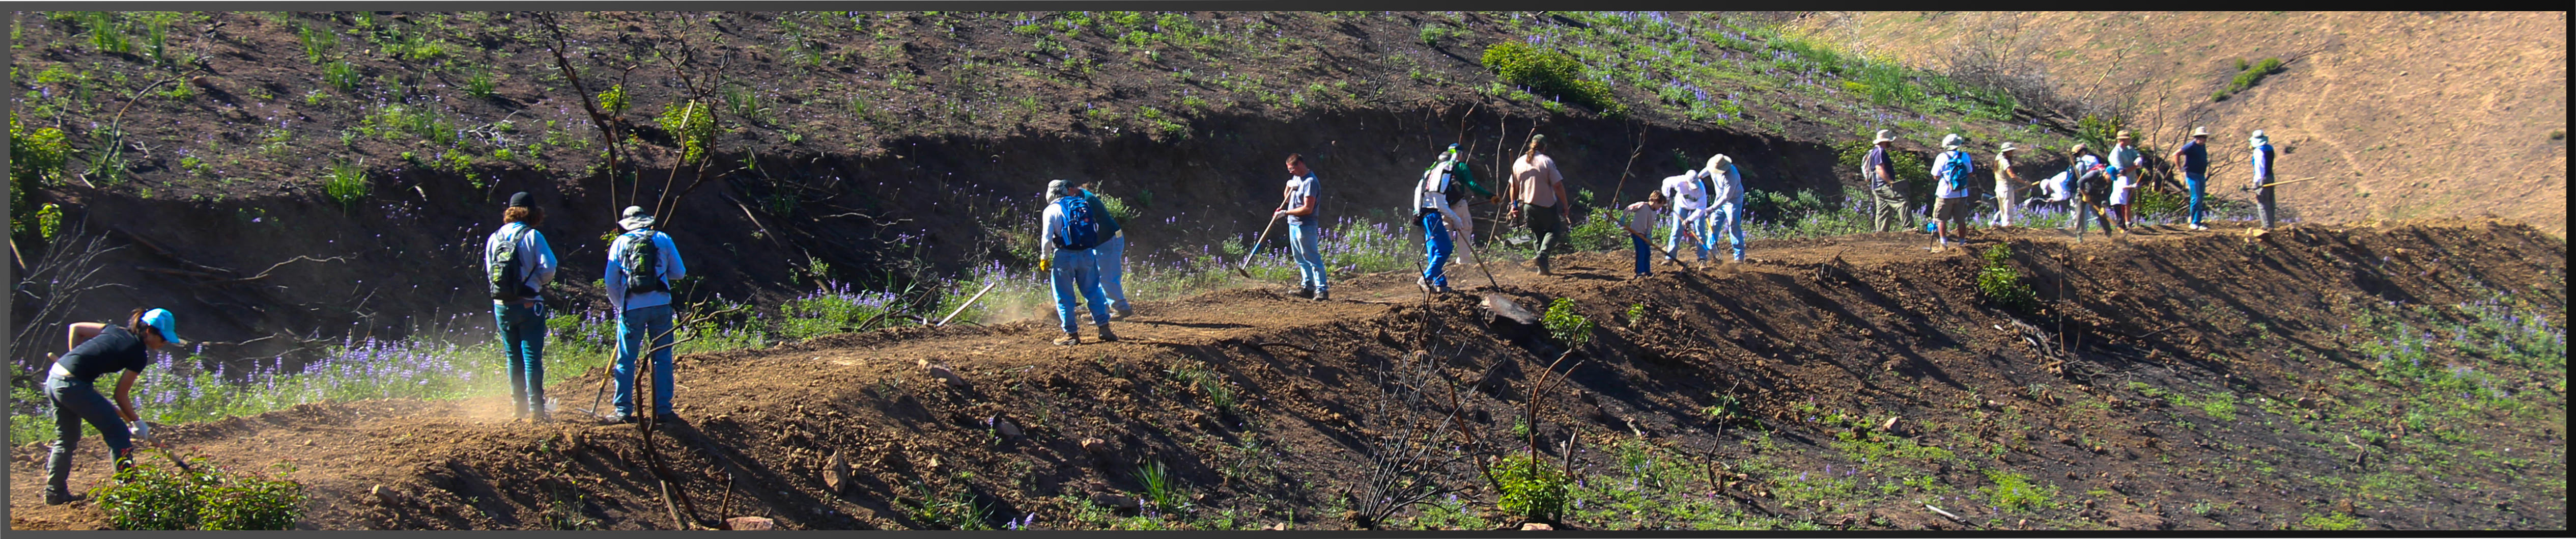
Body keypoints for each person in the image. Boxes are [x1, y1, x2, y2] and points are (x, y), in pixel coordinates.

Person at [42, 308, 186, 505]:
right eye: (163, 338)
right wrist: (137, 422)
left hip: (56, 378)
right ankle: (130, 494)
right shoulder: (138, 354)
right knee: (118, 433)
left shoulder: (114, 330)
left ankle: (55, 493)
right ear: (149, 331)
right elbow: (120, 395)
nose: (165, 343)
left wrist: (74, 358)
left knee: (66, 439)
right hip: (72, 386)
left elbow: (76, 328)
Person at [606, 206, 687, 424]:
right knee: (662, 358)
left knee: (626, 360)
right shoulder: (662, 238)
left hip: (632, 307)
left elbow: (611, 281)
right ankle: (663, 409)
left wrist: (621, 305)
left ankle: (623, 410)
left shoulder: (620, 243)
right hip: (661, 305)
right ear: (646, 221)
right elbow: (679, 273)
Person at [485, 191, 557, 422]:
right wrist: (534, 283)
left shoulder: (494, 237)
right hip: (529, 304)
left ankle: (518, 407)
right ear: (534, 214)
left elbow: (490, 272)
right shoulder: (533, 236)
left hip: (502, 305)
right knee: (531, 357)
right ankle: (537, 410)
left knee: (512, 357)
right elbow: (549, 268)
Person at [1042, 180, 1118, 344]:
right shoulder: (1083, 204)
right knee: (1093, 291)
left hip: (1064, 255)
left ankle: (1071, 335)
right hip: (1087, 254)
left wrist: (1044, 258)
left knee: (1064, 295)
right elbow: (1095, 228)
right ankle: (1104, 328)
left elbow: (1047, 238)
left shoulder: (1051, 210)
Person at [1505, 134, 1570, 275]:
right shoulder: (1546, 161)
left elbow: (1513, 187)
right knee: (1554, 230)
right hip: (1546, 205)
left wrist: (1513, 205)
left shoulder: (1519, 162)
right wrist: (1565, 205)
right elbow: (1558, 185)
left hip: (1528, 205)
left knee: (1538, 235)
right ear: (1544, 147)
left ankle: (1542, 268)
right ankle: (1543, 256)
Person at [1426, 144, 1493, 269]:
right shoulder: (1461, 166)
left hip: (1442, 205)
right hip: (1459, 204)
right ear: (1460, 154)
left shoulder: (1436, 168)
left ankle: (1440, 262)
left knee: (1445, 232)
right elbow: (1472, 185)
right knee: (1465, 229)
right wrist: (1489, 196)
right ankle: (1464, 262)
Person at [1414, 146, 1467, 293]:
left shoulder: (1427, 177)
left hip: (1425, 215)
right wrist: (1455, 218)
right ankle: (1426, 278)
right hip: (1432, 216)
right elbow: (1440, 204)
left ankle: (1441, 284)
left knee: (1434, 250)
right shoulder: (1440, 178)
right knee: (1445, 249)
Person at [1277, 154, 1328, 301]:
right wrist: (1288, 186)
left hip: (1306, 225)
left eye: (1292, 169)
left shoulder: (1310, 182)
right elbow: (1287, 199)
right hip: (1293, 224)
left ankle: (1322, 290)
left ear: (1300, 164)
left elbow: (1308, 209)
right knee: (1300, 258)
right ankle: (1308, 287)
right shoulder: (1296, 178)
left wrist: (1285, 213)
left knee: (1312, 257)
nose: (1291, 172)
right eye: (1289, 170)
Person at [1077, 182, 1131, 318]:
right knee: (1096, 275)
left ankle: (1121, 308)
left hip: (1109, 240)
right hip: (1103, 240)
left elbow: (1086, 226)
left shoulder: (1086, 202)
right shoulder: (1081, 196)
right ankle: (1101, 309)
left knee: (1107, 276)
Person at [1656, 161, 1711, 263]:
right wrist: (1667, 197)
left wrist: (1689, 220)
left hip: (1697, 209)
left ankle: (1702, 258)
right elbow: (1666, 183)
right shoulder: (1679, 182)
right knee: (1676, 230)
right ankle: (1670, 258)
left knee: (1700, 232)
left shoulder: (1701, 189)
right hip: (1681, 205)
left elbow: (1701, 209)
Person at [1928, 134, 1975, 251]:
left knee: (1941, 219)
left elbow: (1936, 175)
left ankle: (1944, 243)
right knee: (1961, 219)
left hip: (1945, 193)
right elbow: (1970, 173)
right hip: (1962, 193)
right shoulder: (1965, 156)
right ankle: (1962, 242)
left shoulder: (1942, 157)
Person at [1863, 130, 1913, 233]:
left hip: (1876, 186)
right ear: (1886, 141)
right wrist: (1890, 182)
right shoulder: (1880, 152)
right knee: (1903, 202)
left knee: (1883, 211)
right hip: (1883, 185)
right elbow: (1879, 168)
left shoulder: (1874, 151)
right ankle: (1908, 229)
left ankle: (1881, 233)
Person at [2067, 146, 2119, 241]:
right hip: (2083, 193)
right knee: (2080, 213)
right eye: (2110, 178)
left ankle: (2109, 234)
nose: (2110, 181)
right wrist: (2085, 194)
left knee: (2102, 214)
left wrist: (2103, 207)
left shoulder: (2109, 183)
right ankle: (2079, 235)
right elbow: (2080, 182)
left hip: (2096, 195)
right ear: (2106, 174)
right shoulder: (2095, 174)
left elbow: (2105, 196)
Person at [1703, 154, 1748, 262]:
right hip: (1719, 199)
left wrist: (1711, 209)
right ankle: (1712, 250)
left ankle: (1739, 255)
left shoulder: (1732, 175)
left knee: (1734, 224)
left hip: (1733, 201)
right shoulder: (1713, 167)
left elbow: (1726, 197)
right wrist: (1698, 179)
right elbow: (1706, 172)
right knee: (1713, 224)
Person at [2173, 126, 2214, 229]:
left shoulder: (2202, 146)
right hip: (2192, 174)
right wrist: (2179, 167)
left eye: (2204, 137)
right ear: (2196, 137)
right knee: (2195, 198)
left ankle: (2198, 222)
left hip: (2201, 175)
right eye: (2201, 137)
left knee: (2200, 199)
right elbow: (2176, 154)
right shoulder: (2191, 146)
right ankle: (2193, 222)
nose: (2203, 139)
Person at [1622, 192, 1667, 278]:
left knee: (1648, 253)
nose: (1660, 207)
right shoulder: (1642, 205)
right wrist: (1624, 217)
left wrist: (1649, 235)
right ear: (1655, 201)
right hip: (1637, 233)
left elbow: (1650, 225)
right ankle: (1639, 272)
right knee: (1641, 252)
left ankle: (1647, 271)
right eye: (1660, 205)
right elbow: (1630, 208)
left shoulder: (1654, 212)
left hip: (1645, 235)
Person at [2106, 130, 2144, 229]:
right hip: (2122, 181)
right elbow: (2121, 172)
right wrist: (2135, 167)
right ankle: (2121, 223)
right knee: (2122, 202)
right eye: (2128, 139)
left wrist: (2139, 159)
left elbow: (2137, 155)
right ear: (2122, 140)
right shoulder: (2116, 153)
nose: (2130, 141)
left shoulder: (2129, 149)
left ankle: (2128, 222)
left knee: (2130, 202)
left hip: (2131, 179)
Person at [2247, 129, 2279, 229]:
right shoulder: (2270, 148)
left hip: (2263, 178)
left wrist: (2256, 183)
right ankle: (2271, 224)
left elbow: (2260, 168)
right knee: (2270, 201)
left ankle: (2267, 226)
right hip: (2271, 176)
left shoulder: (2258, 151)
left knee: (2262, 202)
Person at [1992, 142, 2023, 227]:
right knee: (2008, 211)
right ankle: (2009, 229)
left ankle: (2005, 227)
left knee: (2003, 211)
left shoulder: (1998, 160)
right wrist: (2025, 183)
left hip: (1999, 188)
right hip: (2006, 188)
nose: (2012, 153)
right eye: (2010, 151)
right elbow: (2012, 176)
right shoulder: (2005, 162)